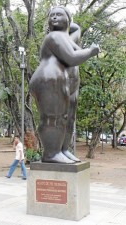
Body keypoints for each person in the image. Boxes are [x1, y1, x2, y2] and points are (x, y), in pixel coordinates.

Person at [29, 6, 100, 163]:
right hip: (49, 79)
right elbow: (72, 58)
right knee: (53, 117)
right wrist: (90, 51)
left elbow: (76, 30)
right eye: (52, 15)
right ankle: (51, 153)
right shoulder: (54, 36)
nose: (54, 17)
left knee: (67, 118)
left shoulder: (66, 37)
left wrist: (72, 27)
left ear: (67, 19)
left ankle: (62, 149)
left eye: (59, 15)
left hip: (64, 83)